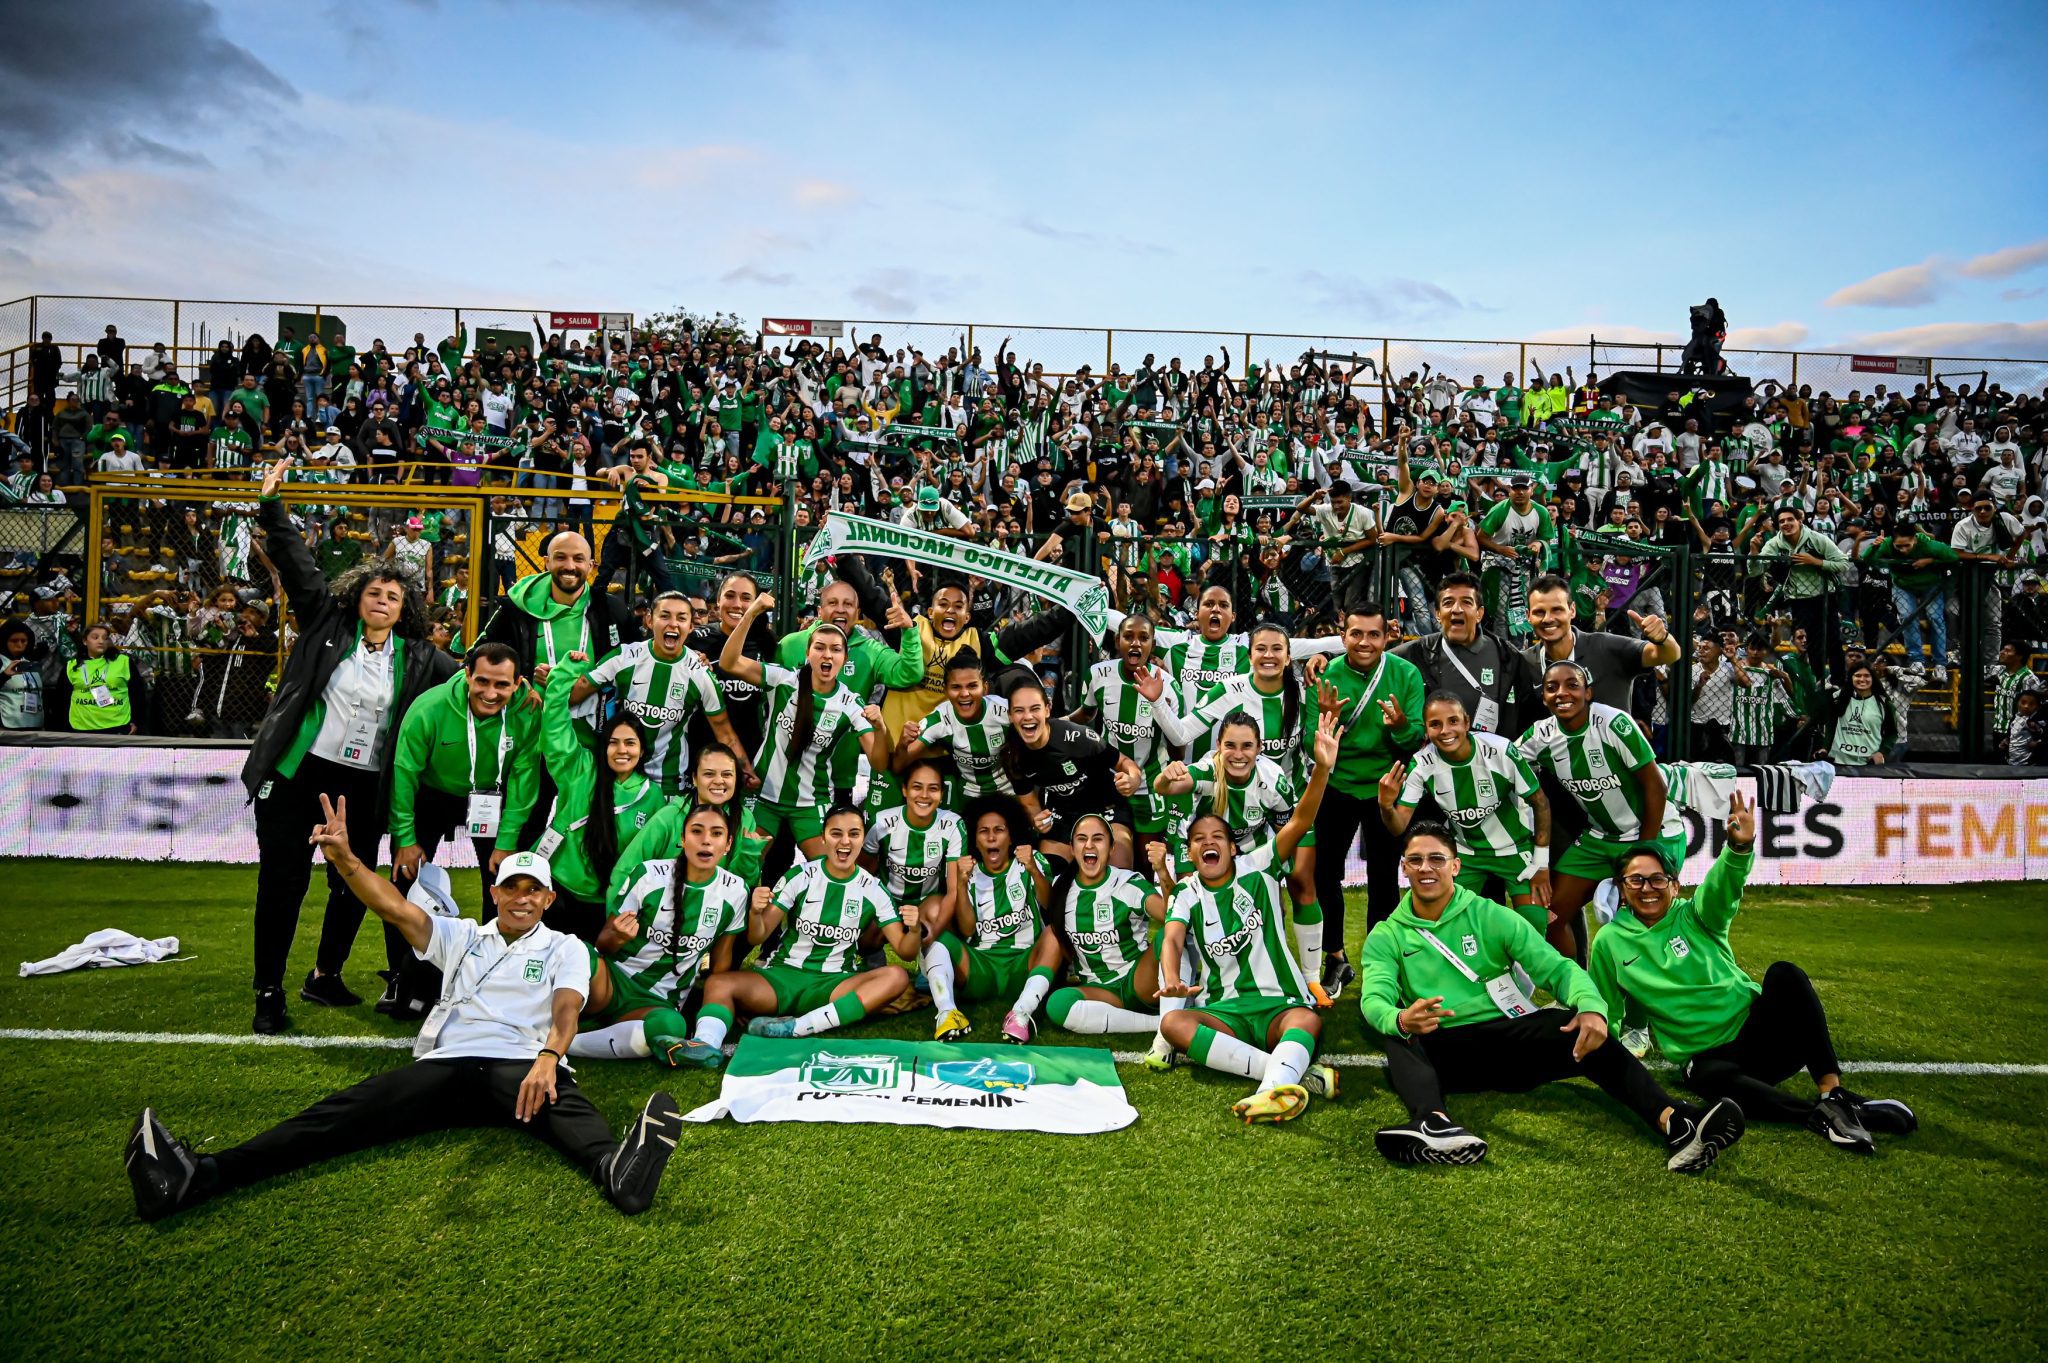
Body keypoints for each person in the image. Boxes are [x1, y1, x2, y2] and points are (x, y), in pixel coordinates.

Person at [122, 803, 684, 1222]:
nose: (520, 898)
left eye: (532, 889)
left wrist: (548, 1056)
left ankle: (619, 1173)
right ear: (494, 891)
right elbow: (392, 906)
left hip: (523, 1065)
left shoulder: (564, 946)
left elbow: (567, 1008)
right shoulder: (461, 935)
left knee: (568, 1109)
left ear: (547, 899)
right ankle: (201, 1176)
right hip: (449, 1064)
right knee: (341, 1115)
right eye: (511, 887)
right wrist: (345, 861)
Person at [1359, 821, 1745, 1172]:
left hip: (1508, 1042)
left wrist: (1592, 1007)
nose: (1426, 868)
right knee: (1399, 1035)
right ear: (1404, 868)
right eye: (1416, 860)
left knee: (1575, 1027)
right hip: (1446, 1051)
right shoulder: (1387, 935)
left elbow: (1558, 968)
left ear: (1455, 866)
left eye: (1436, 859)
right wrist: (1400, 1018)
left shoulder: (1492, 916)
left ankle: (1676, 1122)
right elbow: (1374, 999)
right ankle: (1433, 1124)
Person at [241, 458, 458, 1034]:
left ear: (405, 607)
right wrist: (273, 506)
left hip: (363, 786)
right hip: (298, 775)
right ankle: (269, 992)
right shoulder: (325, 624)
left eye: (393, 595)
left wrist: (525, 683)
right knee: (283, 881)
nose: (382, 600)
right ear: (356, 596)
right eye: (373, 591)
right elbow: (299, 568)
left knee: (353, 881)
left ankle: (325, 975)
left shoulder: (419, 657)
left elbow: (473, 679)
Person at [1592, 791, 1916, 1151]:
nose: (1647, 889)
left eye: (1657, 879)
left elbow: (1721, 888)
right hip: (1707, 1059)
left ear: (1674, 885)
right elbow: (1607, 1010)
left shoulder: (1695, 915)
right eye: (1636, 880)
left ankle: (1833, 1091)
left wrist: (1738, 849)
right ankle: (1824, 1114)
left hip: (1761, 1039)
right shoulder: (1609, 941)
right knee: (1707, 1077)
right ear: (1621, 888)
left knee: (1784, 974)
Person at [1154, 712, 1343, 1123]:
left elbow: (1300, 820)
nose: (1208, 843)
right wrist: (1170, 975)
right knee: (1174, 1024)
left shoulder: (1258, 866)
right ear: (1189, 854)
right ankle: (1286, 1075)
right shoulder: (1186, 892)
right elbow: (1171, 938)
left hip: (1278, 1003)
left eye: (1217, 837)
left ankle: (1269, 1087)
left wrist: (1322, 771)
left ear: (1233, 848)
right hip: (1226, 1011)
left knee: (1306, 1019)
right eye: (1199, 840)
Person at [673, 804, 922, 1067]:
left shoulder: (873, 888)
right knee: (718, 984)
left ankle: (798, 1027)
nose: (845, 841)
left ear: (863, 838)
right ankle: (705, 1045)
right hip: (781, 979)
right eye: (836, 833)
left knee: (897, 976)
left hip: (833, 985)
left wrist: (914, 930)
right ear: (823, 837)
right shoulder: (800, 876)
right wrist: (757, 913)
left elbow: (905, 951)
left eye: (854, 834)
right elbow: (759, 936)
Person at [381, 641, 542, 1015]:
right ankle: (402, 977)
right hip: (433, 794)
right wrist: (404, 838)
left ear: (517, 683)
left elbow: (524, 779)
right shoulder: (430, 708)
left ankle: (488, 976)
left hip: (491, 797)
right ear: (467, 674)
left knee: (505, 883)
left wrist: (506, 843)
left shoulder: (527, 711)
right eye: (482, 681)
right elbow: (404, 774)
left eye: (502, 685)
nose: (490, 693)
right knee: (405, 882)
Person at [1517, 660, 1684, 964]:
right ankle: (1580, 993)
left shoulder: (1613, 723)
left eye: (1572, 685)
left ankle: (1654, 997)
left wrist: (1642, 852)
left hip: (1655, 833)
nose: (1561, 693)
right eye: (1552, 688)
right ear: (1544, 698)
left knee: (1644, 926)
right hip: (1600, 838)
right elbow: (1502, 763)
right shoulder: (1540, 736)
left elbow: (1655, 787)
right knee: (1549, 918)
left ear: (1588, 692)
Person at [1308, 602, 1426, 997]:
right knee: (1325, 873)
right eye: (1356, 634)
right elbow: (1314, 746)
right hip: (1338, 787)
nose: (1364, 642)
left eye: (1373, 634)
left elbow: (1415, 740)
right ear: (1343, 636)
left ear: (1387, 637)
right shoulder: (1326, 677)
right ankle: (1335, 957)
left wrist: (1400, 726)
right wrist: (1328, 720)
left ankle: (1380, 963)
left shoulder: (1405, 674)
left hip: (1385, 788)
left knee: (1385, 878)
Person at [717, 592, 892, 858]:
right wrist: (752, 612)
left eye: (835, 649)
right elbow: (729, 662)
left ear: (844, 659)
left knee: (830, 868)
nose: (827, 655)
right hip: (764, 796)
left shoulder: (850, 703)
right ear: (808, 653)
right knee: (744, 865)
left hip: (811, 803)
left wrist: (881, 728)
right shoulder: (783, 680)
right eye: (819, 647)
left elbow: (879, 762)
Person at [574, 803, 751, 1065]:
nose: (705, 841)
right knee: (577, 952)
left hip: (657, 1001)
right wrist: (619, 936)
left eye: (716, 834)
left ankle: (568, 1044)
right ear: (682, 838)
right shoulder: (649, 875)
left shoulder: (735, 891)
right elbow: (604, 943)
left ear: (728, 843)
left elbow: (721, 960)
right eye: (696, 831)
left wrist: (724, 1000)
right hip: (612, 981)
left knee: (671, 1025)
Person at [1378, 691, 1550, 931]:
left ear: (1467, 722)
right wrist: (1386, 806)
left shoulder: (1500, 750)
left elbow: (1540, 803)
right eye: (1435, 724)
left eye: (1453, 721)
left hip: (1516, 849)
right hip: (1466, 854)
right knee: (1448, 927)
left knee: (1536, 927)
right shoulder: (1422, 764)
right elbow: (1398, 826)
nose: (1445, 731)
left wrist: (1541, 863)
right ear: (1426, 729)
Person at [569, 591, 748, 796]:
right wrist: (555, 681)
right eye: (665, 616)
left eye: (681, 618)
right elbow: (577, 691)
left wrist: (746, 769)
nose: (673, 624)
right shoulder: (624, 657)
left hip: (669, 783)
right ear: (649, 620)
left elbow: (725, 733)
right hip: (622, 774)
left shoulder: (700, 673)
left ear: (690, 627)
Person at [923, 796, 1064, 1044]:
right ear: (975, 841)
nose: (991, 837)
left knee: (1053, 933)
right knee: (937, 939)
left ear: (1011, 837)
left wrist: (1032, 869)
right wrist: (963, 882)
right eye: (983, 832)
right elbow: (967, 928)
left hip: (1023, 964)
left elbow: (1051, 906)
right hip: (982, 968)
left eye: (999, 830)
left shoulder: (1030, 862)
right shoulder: (968, 873)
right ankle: (946, 1012)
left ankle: (1021, 1013)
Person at [861, 758, 968, 1037]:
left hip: (925, 906)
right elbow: (864, 875)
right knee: (866, 928)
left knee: (937, 905)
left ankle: (928, 965)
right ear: (905, 790)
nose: (924, 795)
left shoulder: (952, 825)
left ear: (941, 794)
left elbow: (954, 890)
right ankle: (872, 968)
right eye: (917, 787)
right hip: (888, 904)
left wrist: (929, 935)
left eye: (932, 789)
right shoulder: (883, 822)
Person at [1044, 813, 1165, 1035]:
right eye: (1082, 839)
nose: (1089, 845)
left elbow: (1170, 914)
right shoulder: (1061, 888)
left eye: (1098, 839)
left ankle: (1171, 1014)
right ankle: (1156, 1024)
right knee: (1057, 1005)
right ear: (1072, 848)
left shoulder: (1128, 883)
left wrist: (1162, 872)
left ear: (1111, 849)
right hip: (1099, 990)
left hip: (1138, 981)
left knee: (1171, 932)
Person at [1004, 678, 1147, 866]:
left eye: (1035, 708)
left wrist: (1134, 779)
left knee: (1118, 873)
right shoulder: (1012, 753)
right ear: (1010, 716)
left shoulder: (1076, 736)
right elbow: (1030, 804)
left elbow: (1124, 763)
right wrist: (1038, 820)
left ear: (1047, 709)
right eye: (1019, 710)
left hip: (1106, 805)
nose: (1028, 716)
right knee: (1048, 875)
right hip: (1063, 813)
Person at [1391, 572, 1524, 737]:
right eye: (1448, 603)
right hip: (1436, 757)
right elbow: (1377, 664)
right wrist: (1384, 642)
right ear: (1438, 614)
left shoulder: (1508, 655)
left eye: (1467, 602)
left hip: (1489, 759)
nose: (1457, 609)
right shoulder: (1416, 653)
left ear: (1479, 613)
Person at [66, 622, 133, 733]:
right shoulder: (71, 666)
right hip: (81, 727)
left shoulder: (123, 662)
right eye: (95, 637)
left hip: (117, 725)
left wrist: (136, 721)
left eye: (105, 638)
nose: (101, 641)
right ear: (84, 641)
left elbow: (137, 694)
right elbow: (63, 699)